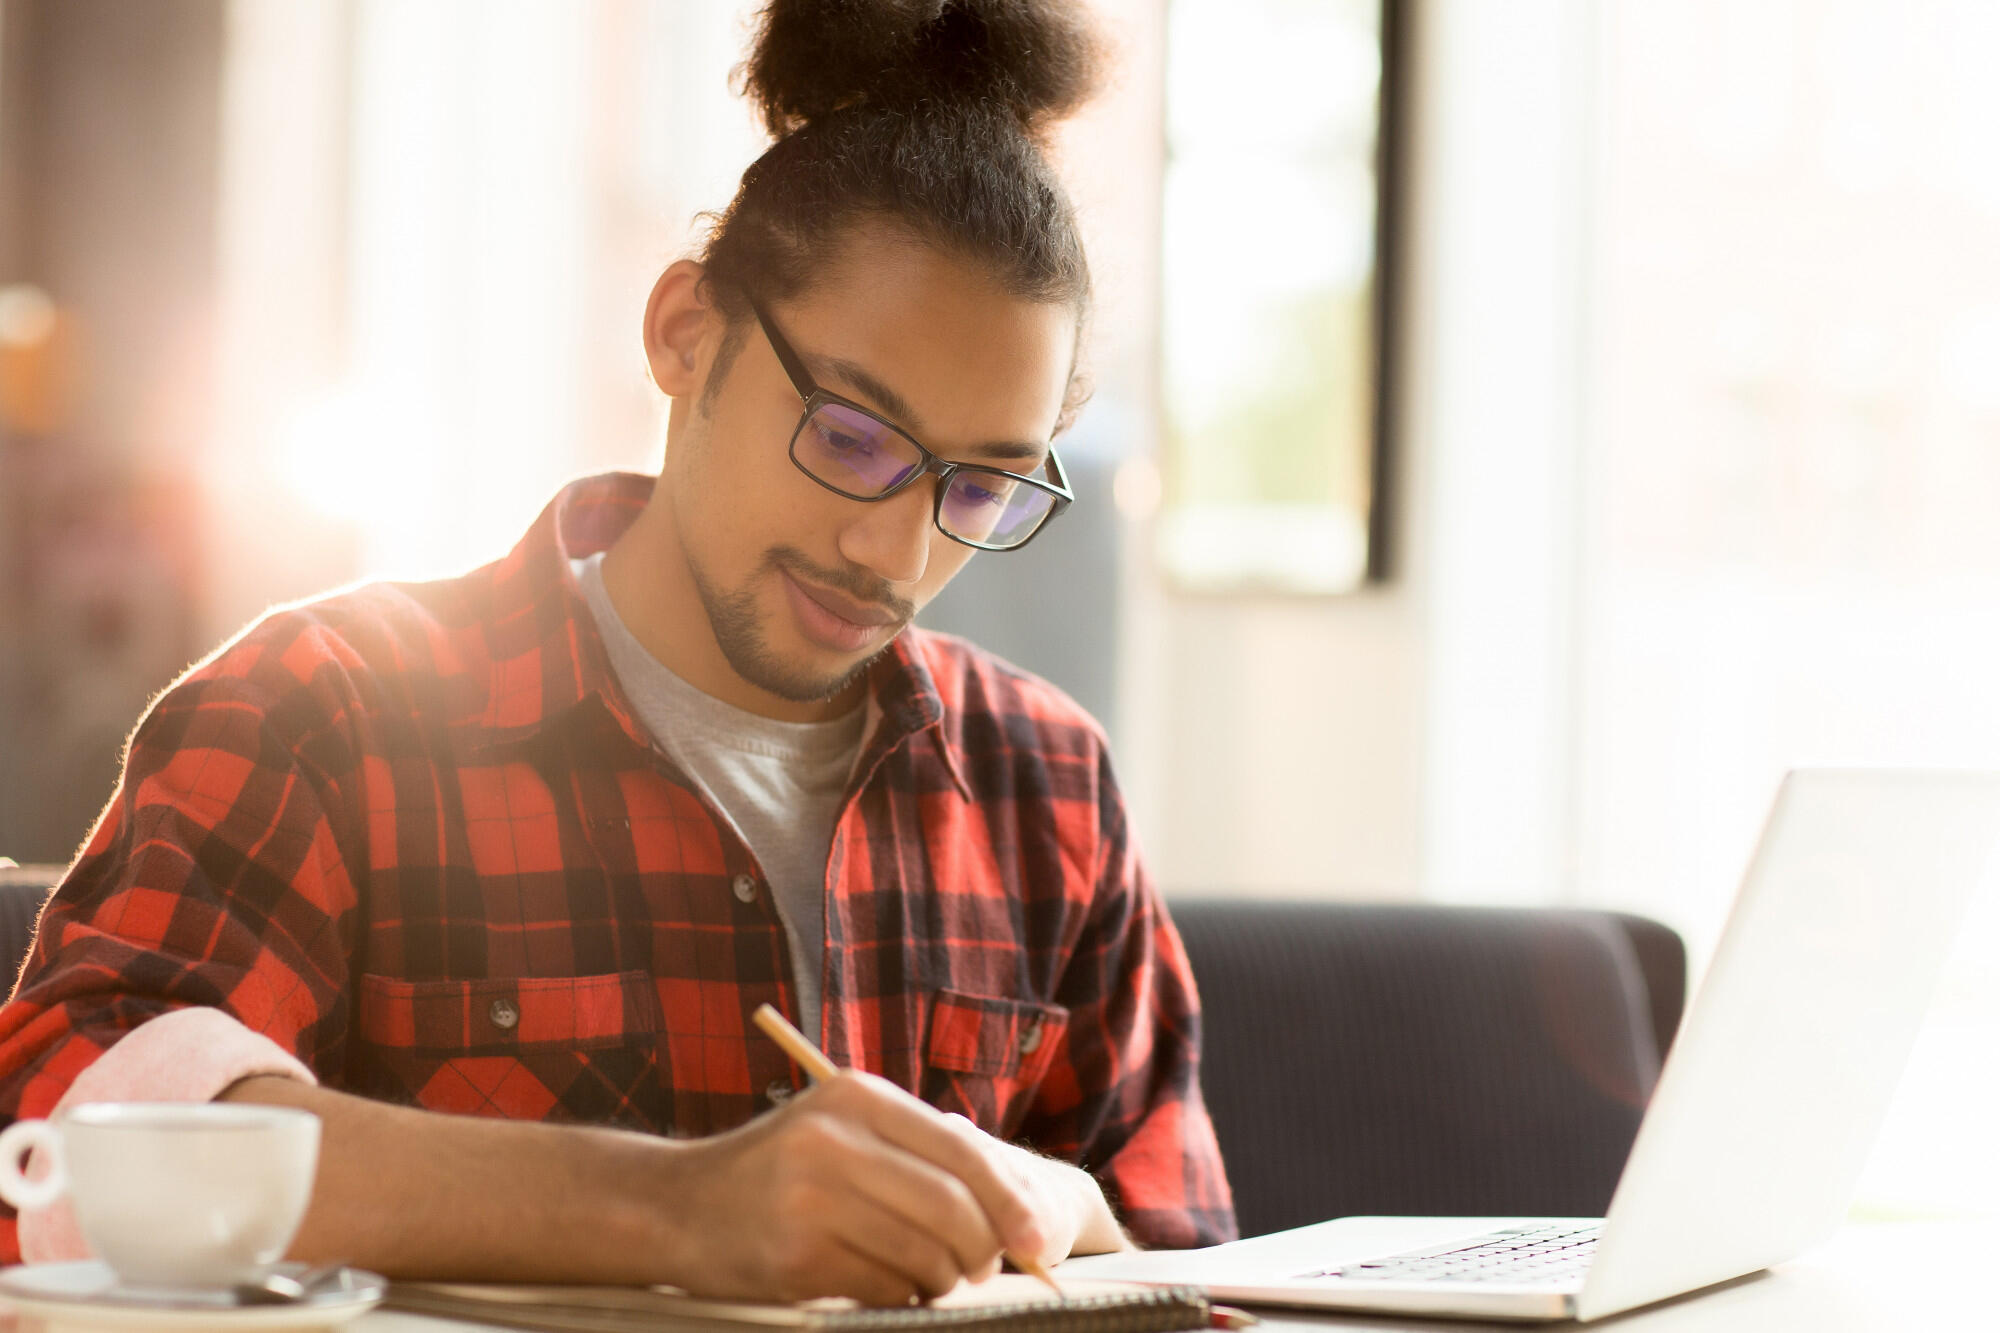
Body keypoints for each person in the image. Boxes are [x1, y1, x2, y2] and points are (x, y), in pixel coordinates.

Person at [0, 0, 1234, 1301]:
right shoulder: (326, 708)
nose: (892, 552)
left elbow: (1194, 1269)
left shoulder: (1051, 787)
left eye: (975, 489)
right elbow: (59, 1141)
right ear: (684, 331)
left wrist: (1062, 1196)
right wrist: (673, 1208)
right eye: (852, 439)